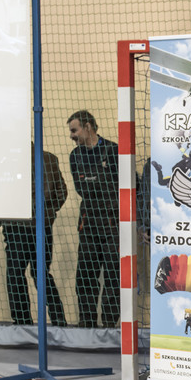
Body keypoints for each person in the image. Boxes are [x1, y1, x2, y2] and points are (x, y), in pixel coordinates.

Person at [0, 149, 68, 326]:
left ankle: (22, 321)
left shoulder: (6, 159)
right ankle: (58, 319)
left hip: (16, 225)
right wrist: (47, 214)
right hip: (41, 224)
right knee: (40, 272)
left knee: (15, 273)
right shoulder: (49, 158)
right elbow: (61, 193)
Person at [67, 110, 119, 329]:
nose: (72, 136)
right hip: (88, 224)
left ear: (88, 127)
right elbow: (82, 189)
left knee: (114, 276)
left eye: (74, 130)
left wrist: (96, 184)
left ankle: (109, 325)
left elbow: (124, 186)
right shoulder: (75, 156)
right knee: (85, 276)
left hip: (113, 224)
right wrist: (101, 183)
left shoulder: (113, 151)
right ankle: (87, 323)